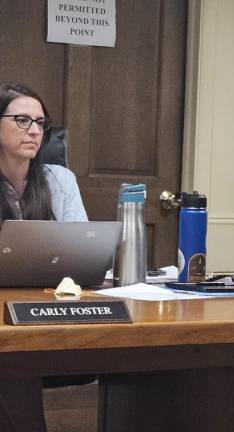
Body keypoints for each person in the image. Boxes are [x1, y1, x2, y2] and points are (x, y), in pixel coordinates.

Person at [0, 83, 88, 431]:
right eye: (22, 120)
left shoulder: (59, 179)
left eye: (40, 122)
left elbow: (80, 248)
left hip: (45, 304)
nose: (35, 131)